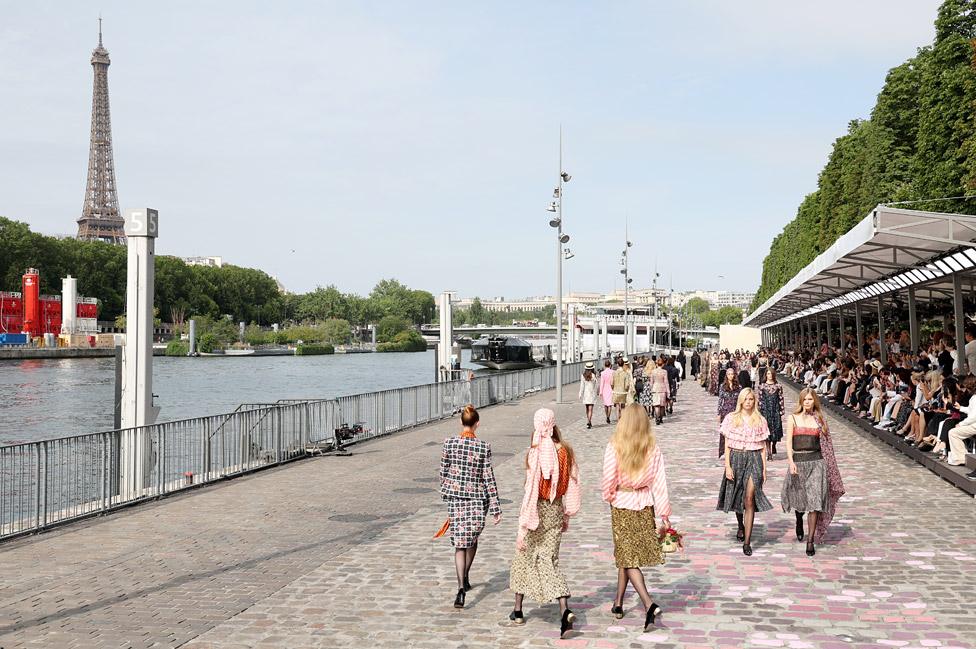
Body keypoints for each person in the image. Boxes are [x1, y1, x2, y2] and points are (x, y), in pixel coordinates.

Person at [509, 409, 582, 637]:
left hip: (537, 510)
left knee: (524, 556)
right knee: (550, 559)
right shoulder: (565, 451)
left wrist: (523, 522)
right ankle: (563, 610)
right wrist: (567, 513)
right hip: (556, 509)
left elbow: (530, 489)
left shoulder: (536, 452)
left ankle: (518, 610)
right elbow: (572, 483)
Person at [601, 403, 670, 633]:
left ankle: (648, 604)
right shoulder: (653, 448)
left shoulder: (615, 445)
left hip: (622, 502)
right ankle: (618, 603)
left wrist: (609, 494)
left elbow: (608, 476)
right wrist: (664, 513)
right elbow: (660, 483)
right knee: (626, 553)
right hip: (644, 504)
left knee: (628, 556)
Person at [437, 405, 501, 608]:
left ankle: (460, 589)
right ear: (477, 424)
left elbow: (443, 470)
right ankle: (465, 575)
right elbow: (488, 478)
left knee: (459, 543)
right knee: (471, 539)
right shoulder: (483, 447)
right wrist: (496, 508)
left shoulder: (449, 443)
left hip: (455, 497)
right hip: (476, 499)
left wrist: (446, 490)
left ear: (461, 422)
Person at [781, 388, 846, 556]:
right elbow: (788, 443)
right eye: (805, 399)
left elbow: (827, 445)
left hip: (817, 463)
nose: (808, 402)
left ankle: (810, 541)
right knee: (801, 500)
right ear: (801, 401)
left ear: (814, 401)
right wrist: (791, 462)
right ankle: (798, 520)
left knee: (815, 502)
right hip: (799, 462)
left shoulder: (820, 420)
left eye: (811, 399)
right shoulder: (793, 418)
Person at [716, 388, 772, 556]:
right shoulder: (731, 418)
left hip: (754, 459)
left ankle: (747, 542)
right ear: (741, 400)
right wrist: (727, 465)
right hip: (736, 457)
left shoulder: (760, 420)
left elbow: (763, 447)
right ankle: (741, 525)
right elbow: (726, 443)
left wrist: (764, 469)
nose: (749, 402)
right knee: (738, 495)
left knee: (749, 498)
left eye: (751, 399)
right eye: (746, 399)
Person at [757, 368, 785, 458]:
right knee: (767, 431)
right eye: (768, 373)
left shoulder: (778, 386)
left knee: (776, 428)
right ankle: (769, 453)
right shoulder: (762, 386)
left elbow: (781, 398)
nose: (770, 375)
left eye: (771, 373)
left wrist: (782, 411)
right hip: (766, 410)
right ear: (766, 375)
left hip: (775, 409)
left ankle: (774, 445)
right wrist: (760, 411)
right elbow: (760, 399)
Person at [717, 369, 741, 458]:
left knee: (735, 431)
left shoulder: (738, 387)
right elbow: (720, 400)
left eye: (732, 374)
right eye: (729, 374)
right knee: (725, 432)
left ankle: (734, 450)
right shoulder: (722, 386)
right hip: (725, 411)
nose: (730, 376)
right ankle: (724, 451)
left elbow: (740, 400)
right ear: (726, 375)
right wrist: (719, 413)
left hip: (735, 411)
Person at [648, 357, 670, 426]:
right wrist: (668, 391)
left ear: (657, 364)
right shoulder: (664, 372)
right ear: (662, 364)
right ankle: (660, 418)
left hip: (655, 388)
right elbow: (666, 382)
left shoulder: (653, 372)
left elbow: (651, 382)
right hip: (662, 389)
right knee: (662, 405)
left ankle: (657, 417)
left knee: (656, 405)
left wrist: (650, 389)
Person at [578, 362, 600, 429]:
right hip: (592, 393)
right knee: (591, 409)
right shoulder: (594, 375)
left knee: (587, 408)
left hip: (586, 394)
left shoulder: (583, 375)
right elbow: (597, 385)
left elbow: (582, 386)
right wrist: (597, 392)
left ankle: (588, 420)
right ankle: (589, 421)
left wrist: (580, 393)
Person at [599, 359, 615, 424]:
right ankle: (609, 416)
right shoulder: (613, 372)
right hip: (611, 388)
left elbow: (601, 383)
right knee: (610, 404)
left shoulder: (602, 373)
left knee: (605, 404)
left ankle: (607, 416)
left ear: (604, 365)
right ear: (610, 365)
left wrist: (600, 391)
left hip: (605, 389)